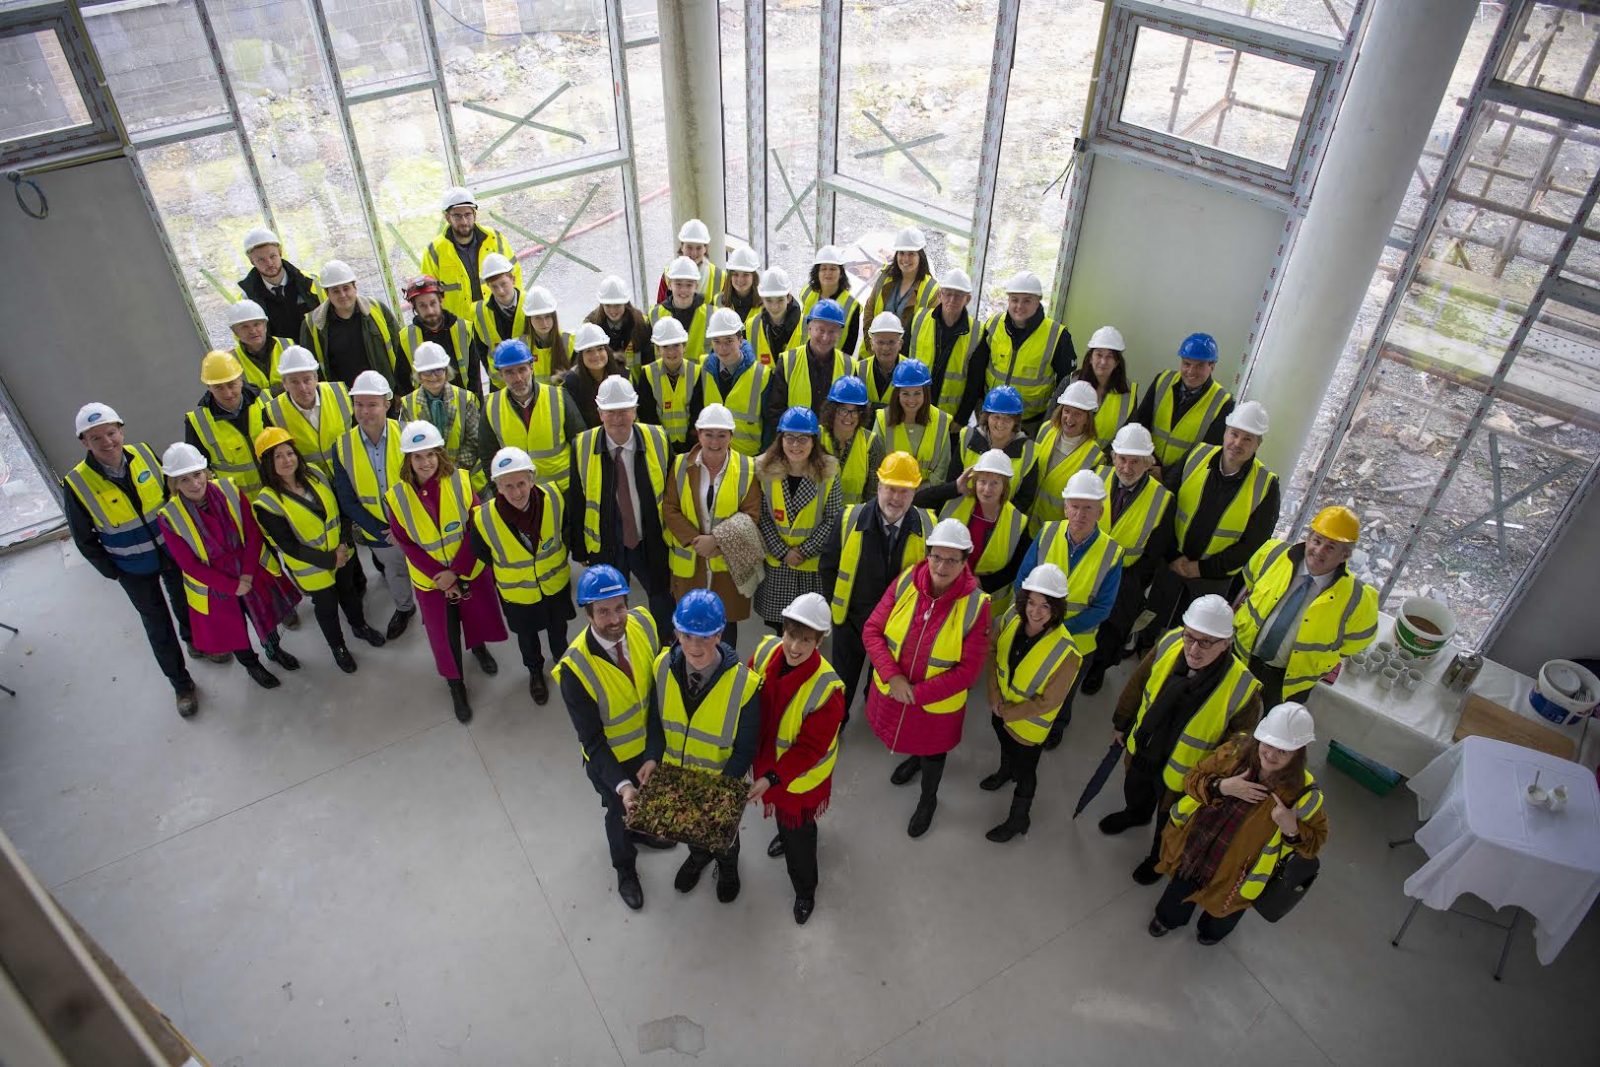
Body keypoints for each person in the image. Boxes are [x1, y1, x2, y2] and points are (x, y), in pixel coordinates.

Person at [1105, 595, 1263, 886]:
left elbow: (1238, 748)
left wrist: (1213, 782)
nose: (1193, 648)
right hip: (1146, 749)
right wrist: (1122, 721)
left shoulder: (1242, 687)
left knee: (1171, 822)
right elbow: (1139, 682)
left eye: (1206, 642)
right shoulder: (1169, 644)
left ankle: (1157, 858)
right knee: (1136, 788)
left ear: (1226, 643)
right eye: (1190, 637)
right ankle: (1135, 814)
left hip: (1184, 775)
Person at [63, 403, 201, 716]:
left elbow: (169, 498)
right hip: (131, 568)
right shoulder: (78, 482)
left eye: (111, 433)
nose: (107, 441)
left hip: (169, 552)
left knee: (185, 603)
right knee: (157, 625)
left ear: (121, 430)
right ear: (85, 442)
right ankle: (181, 684)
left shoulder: (145, 454)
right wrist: (114, 572)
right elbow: (83, 537)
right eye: (96, 438)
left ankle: (196, 642)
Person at [1150, 703, 1326, 945]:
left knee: (1225, 910)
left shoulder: (1304, 793)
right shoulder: (1234, 752)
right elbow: (1192, 779)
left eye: (1283, 751)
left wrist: (1290, 828)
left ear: (1298, 752)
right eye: (1268, 745)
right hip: (1196, 849)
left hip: (1241, 872)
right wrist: (1222, 786)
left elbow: (1314, 843)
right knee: (1180, 889)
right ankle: (1168, 918)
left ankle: (1211, 933)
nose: (1272, 755)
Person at [864, 518, 991, 837]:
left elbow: (968, 672)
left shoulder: (977, 605)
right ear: (928, 553)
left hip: (935, 706)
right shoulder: (908, 580)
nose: (942, 565)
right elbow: (872, 630)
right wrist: (892, 676)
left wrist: (917, 694)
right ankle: (914, 760)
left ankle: (928, 799)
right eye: (936, 556)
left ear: (965, 562)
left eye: (952, 559)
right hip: (896, 690)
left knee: (934, 753)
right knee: (911, 737)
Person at [553, 564, 667, 912]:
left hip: (647, 751)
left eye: (619, 607)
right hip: (611, 763)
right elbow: (592, 742)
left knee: (645, 805)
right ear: (588, 614)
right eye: (603, 612)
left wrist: (653, 753)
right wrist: (622, 785)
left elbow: (658, 691)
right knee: (620, 813)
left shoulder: (644, 623)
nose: (615, 619)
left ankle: (643, 830)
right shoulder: (575, 669)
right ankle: (625, 869)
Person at [385, 421, 508, 724]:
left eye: (430, 455)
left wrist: (457, 571)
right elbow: (406, 543)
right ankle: (456, 685)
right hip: (431, 582)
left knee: (475, 616)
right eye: (417, 457)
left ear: (440, 454)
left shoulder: (461, 481)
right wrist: (441, 577)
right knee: (445, 633)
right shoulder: (397, 497)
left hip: (466, 569)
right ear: (407, 461)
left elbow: (475, 527)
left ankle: (478, 649)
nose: (425, 462)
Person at [156, 442, 300, 690]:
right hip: (216, 585)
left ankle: (274, 649)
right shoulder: (170, 517)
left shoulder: (230, 489)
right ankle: (252, 665)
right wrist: (232, 586)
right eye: (184, 480)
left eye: (197, 474)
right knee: (235, 631)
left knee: (265, 615)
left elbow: (252, 532)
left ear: (206, 472)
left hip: (250, 569)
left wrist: (245, 574)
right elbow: (189, 565)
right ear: (174, 484)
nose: (194, 484)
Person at [652, 590, 763, 903]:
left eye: (705, 636)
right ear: (676, 632)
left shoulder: (745, 684)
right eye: (686, 635)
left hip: (722, 781)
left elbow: (745, 749)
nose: (694, 646)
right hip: (678, 776)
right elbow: (655, 721)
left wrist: (718, 793)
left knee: (723, 836)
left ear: (720, 634)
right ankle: (698, 858)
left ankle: (728, 866)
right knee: (689, 828)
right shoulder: (662, 667)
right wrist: (651, 759)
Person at [748, 592, 846, 924]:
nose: (794, 647)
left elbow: (809, 749)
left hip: (800, 781)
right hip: (769, 767)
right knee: (788, 825)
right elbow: (744, 694)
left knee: (800, 836)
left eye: (806, 640)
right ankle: (785, 832)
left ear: (819, 641)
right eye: (791, 635)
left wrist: (771, 779)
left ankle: (805, 888)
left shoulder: (827, 690)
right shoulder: (765, 651)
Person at [1147, 399, 1280, 640]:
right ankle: (1145, 649)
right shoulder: (1197, 455)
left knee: (1196, 635)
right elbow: (1162, 504)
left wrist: (1201, 568)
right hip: (1171, 563)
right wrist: (1172, 555)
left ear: (1258, 444)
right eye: (1234, 434)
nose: (1237, 443)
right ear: (1225, 432)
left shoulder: (1266, 485)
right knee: (1152, 617)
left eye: (1247, 438)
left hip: (1213, 579)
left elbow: (1253, 546)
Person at [820, 452, 936, 720]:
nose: (896, 498)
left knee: (881, 678)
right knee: (842, 680)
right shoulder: (849, 519)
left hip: (896, 627)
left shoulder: (928, 526)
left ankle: (873, 708)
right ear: (879, 486)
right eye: (891, 489)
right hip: (851, 621)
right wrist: (837, 612)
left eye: (904, 491)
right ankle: (837, 721)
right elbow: (828, 567)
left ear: (915, 491)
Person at [1013, 470, 1124, 747]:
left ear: (1100, 511)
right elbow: (1022, 582)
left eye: (1088, 508)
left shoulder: (1112, 552)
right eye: (1074, 506)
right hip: (1035, 630)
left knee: (1064, 691)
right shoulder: (1047, 533)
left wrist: (1056, 631)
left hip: (1076, 643)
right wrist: (1037, 623)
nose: (1080, 514)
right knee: (1029, 681)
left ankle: (1058, 726)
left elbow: (1103, 608)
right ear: (1065, 507)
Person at [252, 428, 376, 673]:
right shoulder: (267, 502)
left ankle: (359, 626)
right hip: (314, 568)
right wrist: (331, 559)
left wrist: (342, 544)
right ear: (267, 463)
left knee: (350, 593)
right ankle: (338, 648)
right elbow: (288, 546)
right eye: (278, 456)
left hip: (342, 552)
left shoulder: (317, 474)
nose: (287, 460)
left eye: (289, 453)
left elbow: (340, 511)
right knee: (327, 608)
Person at [1234, 505, 1378, 708]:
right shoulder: (1272, 554)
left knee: (1262, 733)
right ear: (1308, 538)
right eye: (1317, 541)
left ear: (1345, 555)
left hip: (1285, 685)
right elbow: (1249, 583)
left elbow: (1354, 644)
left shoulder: (1358, 599)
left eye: (1330, 547)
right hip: (1240, 660)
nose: (1319, 551)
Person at [567, 376, 676, 638]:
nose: (617, 418)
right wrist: (579, 547)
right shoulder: (582, 446)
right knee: (612, 603)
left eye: (624, 410)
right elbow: (576, 498)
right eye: (610, 411)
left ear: (635, 411)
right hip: (607, 541)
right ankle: (621, 646)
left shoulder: (657, 438)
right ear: (600, 413)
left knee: (662, 596)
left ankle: (665, 645)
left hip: (651, 537)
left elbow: (675, 493)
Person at [980, 563, 1081, 843]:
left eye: (1045, 607)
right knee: (1003, 744)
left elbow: (1050, 701)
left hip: (1027, 728)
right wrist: (992, 694)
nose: (1035, 612)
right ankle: (1004, 771)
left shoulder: (1067, 651)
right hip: (999, 709)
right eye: (1031, 603)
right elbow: (993, 652)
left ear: (1056, 609)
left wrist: (1009, 711)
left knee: (1026, 774)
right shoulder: (1012, 615)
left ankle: (1018, 819)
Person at [469, 446, 573, 704]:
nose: (516, 492)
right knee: (527, 637)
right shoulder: (484, 518)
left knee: (558, 629)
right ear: (497, 488)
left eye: (521, 483)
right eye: (508, 487)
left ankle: (564, 662)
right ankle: (535, 672)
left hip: (554, 583)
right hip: (517, 593)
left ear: (532, 479)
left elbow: (567, 531)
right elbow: (481, 552)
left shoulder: (555, 498)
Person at [1079, 423, 1174, 696]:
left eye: (1136, 461)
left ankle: (1097, 669)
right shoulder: (1096, 477)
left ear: (1148, 463)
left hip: (1126, 577)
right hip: (1086, 566)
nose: (1127, 467)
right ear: (1113, 457)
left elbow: (1153, 554)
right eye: (1122, 459)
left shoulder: (1162, 499)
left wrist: (1124, 579)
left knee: (1112, 630)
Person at [661, 405, 762, 648]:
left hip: (726, 566)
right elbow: (670, 508)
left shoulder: (747, 468)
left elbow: (752, 514)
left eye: (722, 435)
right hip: (690, 564)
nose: (715, 442)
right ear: (698, 433)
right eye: (709, 434)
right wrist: (697, 541)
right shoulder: (680, 465)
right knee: (689, 626)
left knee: (725, 633)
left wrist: (716, 541)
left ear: (731, 436)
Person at [332, 370, 417, 638]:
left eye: (372, 404)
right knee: (395, 573)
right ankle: (405, 608)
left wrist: (404, 526)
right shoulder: (343, 446)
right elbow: (347, 499)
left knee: (429, 569)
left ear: (387, 404)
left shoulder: (407, 434)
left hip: (416, 524)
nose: (365, 411)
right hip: (379, 533)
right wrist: (384, 529)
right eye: (359, 404)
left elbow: (422, 485)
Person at [754, 407, 844, 631]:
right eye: (789, 438)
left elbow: (833, 518)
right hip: (779, 563)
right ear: (780, 439)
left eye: (803, 438)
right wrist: (784, 552)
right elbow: (762, 516)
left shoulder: (829, 470)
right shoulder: (763, 467)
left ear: (813, 441)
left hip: (811, 565)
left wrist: (803, 551)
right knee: (778, 627)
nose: (796, 445)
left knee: (807, 629)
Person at [959, 270, 1075, 429]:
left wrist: (1050, 424)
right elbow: (977, 371)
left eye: (1027, 300)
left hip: (1029, 423)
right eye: (1014, 300)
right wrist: (979, 408)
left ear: (1038, 301)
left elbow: (1066, 385)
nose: (1019, 306)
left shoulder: (1057, 336)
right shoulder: (994, 324)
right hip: (991, 415)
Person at [920, 448, 1031, 613]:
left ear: (1004, 486)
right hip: (941, 590)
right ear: (974, 481)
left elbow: (1016, 566)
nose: (987, 489)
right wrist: (954, 487)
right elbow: (917, 501)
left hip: (983, 602)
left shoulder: (1017, 520)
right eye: (982, 481)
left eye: (995, 483)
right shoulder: (956, 501)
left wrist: (980, 583)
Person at [477, 339, 584, 496]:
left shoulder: (558, 397)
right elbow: (488, 458)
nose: (518, 378)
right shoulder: (491, 406)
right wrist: (501, 493)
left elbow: (580, 444)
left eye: (522, 369)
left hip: (564, 492)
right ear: (500, 375)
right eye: (509, 372)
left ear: (532, 368)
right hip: (520, 497)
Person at [299, 260, 410, 395]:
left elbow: (401, 350)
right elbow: (312, 371)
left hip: (385, 396)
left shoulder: (377, 310)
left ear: (354, 287)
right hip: (344, 403)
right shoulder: (313, 325)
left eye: (346, 288)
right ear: (327, 293)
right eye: (336, 291)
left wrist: (401, 391)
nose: (343, 295)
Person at [687, 307, 782, 457]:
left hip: (750, 460)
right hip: (714, 458)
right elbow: (696, 415)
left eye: (729, 341)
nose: (722, 348)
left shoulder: (762, 375)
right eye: (716, 341)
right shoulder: (703, 370)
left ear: (740, 339)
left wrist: (764, 456)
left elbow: (771, 425)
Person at [1133, 332, 1235, 469]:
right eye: (1187, 364)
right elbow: (1140, 424)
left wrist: (1165, 474)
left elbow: (1206, 454)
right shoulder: (1162, 381)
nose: (1191, 371)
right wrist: (1148, 462)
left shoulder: (1223, 403)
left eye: (1199, 366)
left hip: (1184, 478)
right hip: (1146, 466)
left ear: (1212, 366)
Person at [421, 187, 520, 324]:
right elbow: (429, 294)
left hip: (499, 317)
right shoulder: (434, 251)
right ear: (447, 217)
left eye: (467, 214)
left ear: (475, 214)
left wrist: (516, 307)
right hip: (460, 326)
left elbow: (515, 274)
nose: (464, 221)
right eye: (457, 216)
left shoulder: (494, 239)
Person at [399, 341, 484, 493]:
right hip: (426, 481)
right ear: (418, 375)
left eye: (438, 370)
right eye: (427, 372)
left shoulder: (466, 399)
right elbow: (409, 447)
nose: (433, 376)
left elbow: (475, 441)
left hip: (465, 478)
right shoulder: (408, 404)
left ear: (446, 371)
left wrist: (450, 472)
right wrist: (431, 475)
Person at [185, 351, 269, 494]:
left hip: (280, 495)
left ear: (241, 379)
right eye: (218, 387)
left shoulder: (267, 400)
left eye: (231, 384)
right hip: (238, 505)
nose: (228, 393)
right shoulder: (197, 422)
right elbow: (198, 473)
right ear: (208, 387)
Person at [265, 344, 352, 482]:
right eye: (294, 382)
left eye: (307, 380)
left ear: (316, 378)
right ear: (284, 384)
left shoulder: (341, 393)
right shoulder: (272, 413)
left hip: (349, 476)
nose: (303, 388)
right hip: (310, 483)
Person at [950, 385, 1038, 518]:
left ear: (1016, 421)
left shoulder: (1029, 450)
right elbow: (952, 480)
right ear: (987, 417)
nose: (1001, 423)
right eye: (996, 417)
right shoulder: (968, 437)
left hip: (1002, 521)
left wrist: (999, 517)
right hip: (962, 515)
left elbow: (1025, 498)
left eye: (1007, 418)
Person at [1031, 380, 1104, 533]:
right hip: (1026, 519)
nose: (1069, 419)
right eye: (1067, 411)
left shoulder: (1095, 456)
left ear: (1087, 419)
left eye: (1077, 414)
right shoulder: (1046, 430)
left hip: (1055, 531)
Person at [871, 358, 952, 485]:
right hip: (892, 492)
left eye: (917, 393)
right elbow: (876, 465)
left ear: (925, 393)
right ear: (897, 394)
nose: (911, 400)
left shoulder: (941, 420)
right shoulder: (883, 419)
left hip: (928, 496)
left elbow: (942, 469)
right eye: (905, 394)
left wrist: (920, 494)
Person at [907, 267, 974, 418]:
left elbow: (974, 383)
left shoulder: (976, 332)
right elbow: (902, 360)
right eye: (948, 294)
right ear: (940, 295)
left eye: (958, 296)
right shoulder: (919, 319)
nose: (952, 300)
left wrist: (961, 418)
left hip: (948, 415)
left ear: (967, 299)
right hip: (913, 407)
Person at [398, 275, 481, 394]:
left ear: (440, 300)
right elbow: (403, 382)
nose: (430, 311)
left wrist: (475, 406)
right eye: (422, 305)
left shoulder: (463, 329)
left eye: (433, 303)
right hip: (425, 408)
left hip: (464, 404)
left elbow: (475, 378)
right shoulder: (406, 338)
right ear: (415, 307)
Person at [238, 227, 321, 342]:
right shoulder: (247, 299)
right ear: (252, 262)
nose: (269, 263)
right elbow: (247, 342)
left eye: (273, 256)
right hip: (279, 359)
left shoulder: (311, 283)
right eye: (261, 260)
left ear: (280, 253)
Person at [636, 317, 701, 454]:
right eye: (665, 347)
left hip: (692, 446)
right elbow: (647, 415)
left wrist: (691, 446)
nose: (671, 352)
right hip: (659, 446)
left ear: (684, 346)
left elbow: (698, 412)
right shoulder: (647, 374)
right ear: (657, 349)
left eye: (676, 345)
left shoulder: (696, 372)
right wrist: (662, 445)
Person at [861, 227, 938, 340]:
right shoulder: (885, 276)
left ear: (920, 256)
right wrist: (871, 342)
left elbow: (929, 332)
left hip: (905, 356)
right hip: (874, 351)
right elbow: (869, 309)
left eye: (911, 254)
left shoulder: (931, 290)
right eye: (901, 253)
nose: (905, 259)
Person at [776, 299, 850, 416]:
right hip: (795, 434)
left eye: (832, 332)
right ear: (809, 328)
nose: (825, 337)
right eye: (820, 330)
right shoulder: (787, 362)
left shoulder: (849, 366)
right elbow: (775, 411)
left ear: (839, 333)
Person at [468, 254, 534, 378]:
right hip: (500, 382)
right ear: (488, 286)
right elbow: (481, 349)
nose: (500, 291)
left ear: (513, 279)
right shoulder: (479, 312)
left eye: (503, 284)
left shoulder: (531, 302)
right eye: (494, 286)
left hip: (530, 377)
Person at [820, 375, 881, 506]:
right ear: (832, 410)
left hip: (853, 520)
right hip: (817, 519)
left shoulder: (871, 442)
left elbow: (873, 495)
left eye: (855, 411)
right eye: (843, 410)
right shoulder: (816, 436)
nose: (849, 417)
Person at [1072, 326, 1137, 448]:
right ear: (1090, 358)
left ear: (1117, 362)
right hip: (1066, 457)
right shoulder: (1071, 382)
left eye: (1109, 356)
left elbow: (1126, 438)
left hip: (1101, 462)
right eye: (1099, 355)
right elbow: (1052, 422)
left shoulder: (1128, 394)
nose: (1103, 362)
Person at [561, 322, 630, 431]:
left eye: (600, 349)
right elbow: (575, 424)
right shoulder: (572, 383)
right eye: (589, 351)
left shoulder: (623, 374)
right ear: (581, 356)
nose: (596, 355)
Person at [798, 245, 861, 356]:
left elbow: (850, 345)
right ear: (817, 272)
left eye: (833, 268)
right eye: (823, 268)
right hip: (804, 358)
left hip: (833, 364)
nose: (828, 273)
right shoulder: (807, 293)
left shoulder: (851, 305)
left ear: (841, 273)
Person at [585, 275, 653, 373]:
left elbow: (649, 360)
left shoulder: (641, 323)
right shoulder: (591, 326)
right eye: (608, 305)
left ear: (625, 302)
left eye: (617, 305)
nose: (613, 311)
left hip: (636, 385)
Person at [648, 256, 710, 361]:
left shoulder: (711, 314)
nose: (683, 290)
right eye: (678, 284)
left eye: (689, 285)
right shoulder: (654, 315)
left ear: (696, 286)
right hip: (665, 377)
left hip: (702, 377)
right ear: (669, 285)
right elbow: (647, 356)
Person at [225, 299, 291, 393]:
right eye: (244, 327)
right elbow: (241, 398)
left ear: (265, 325)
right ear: (235, 331)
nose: (252, 330)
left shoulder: (287, 345)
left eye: (256, 324)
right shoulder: (231, 361)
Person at [745, 268, 805, 367]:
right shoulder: (750, 327)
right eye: (769, 300)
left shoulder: (807, 326)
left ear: (788, 298)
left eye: (780, 300)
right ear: (762, 299)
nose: (774, 306)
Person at [657, 218, 725, 303]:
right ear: (682, 247)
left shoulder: (719, 277)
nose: (693, 253)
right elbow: (660, 309)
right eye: (689, 247)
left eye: (698, 248)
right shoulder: (668, 275)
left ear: (705, 248)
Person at [517, 286, 571, 386]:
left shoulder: (569, 341)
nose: (544, 323)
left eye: (547, 316)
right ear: (529, 320)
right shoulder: (520, 346)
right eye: (538, 318)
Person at [855, 312, 906, 412]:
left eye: (891, 342)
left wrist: (871, 407)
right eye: (880, 342)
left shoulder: (910, 371)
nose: (886, 348)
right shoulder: (858, 370)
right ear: (872, 344)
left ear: (900, 344)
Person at [717, 245, 762, 319]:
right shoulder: (717, 301)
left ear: (753, 277)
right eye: (735, 274)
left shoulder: (765, 305)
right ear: (730, 277)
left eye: (745, 274)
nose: (740, 279)